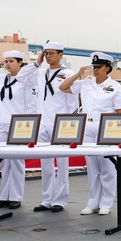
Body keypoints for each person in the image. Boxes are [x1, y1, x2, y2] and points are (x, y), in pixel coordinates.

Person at [59, 52, 121, 216]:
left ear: (107, 68)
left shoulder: (115, 86)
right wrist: (78, 74)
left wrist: (116, 135)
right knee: (92, 168)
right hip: (87, 127)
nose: (95, 70)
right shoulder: (86, 83)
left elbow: (120, 111)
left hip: (106, 127)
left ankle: (106, 202)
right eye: (94, 67)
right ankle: (93, 201)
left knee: (108, 168)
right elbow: (63, 87)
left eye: (99, 67)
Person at [0, 50, 38, 209]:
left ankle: (16, 196)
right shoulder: (0, 79)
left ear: (20, 63)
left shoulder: (26, 81)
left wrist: (28, 126)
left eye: (11, 61)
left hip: (18, 124)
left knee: (16, 161)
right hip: (1, 123)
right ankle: (4, 196)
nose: (8, 64)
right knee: (3, 162)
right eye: (6, 61)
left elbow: (31, 106)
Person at [33, 42, 77, 213]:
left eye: (51, 53)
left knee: (62, 164)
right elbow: (22, 76)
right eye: (46, 53)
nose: (48, 56)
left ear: (60, 55)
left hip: (60, 124)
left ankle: (60, 199)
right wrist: (37, 61)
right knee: (45, 164)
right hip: (43, 122)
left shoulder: (68, 74)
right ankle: (47, 198)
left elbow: (72, 101)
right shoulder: (40, 73)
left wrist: (70, 124)